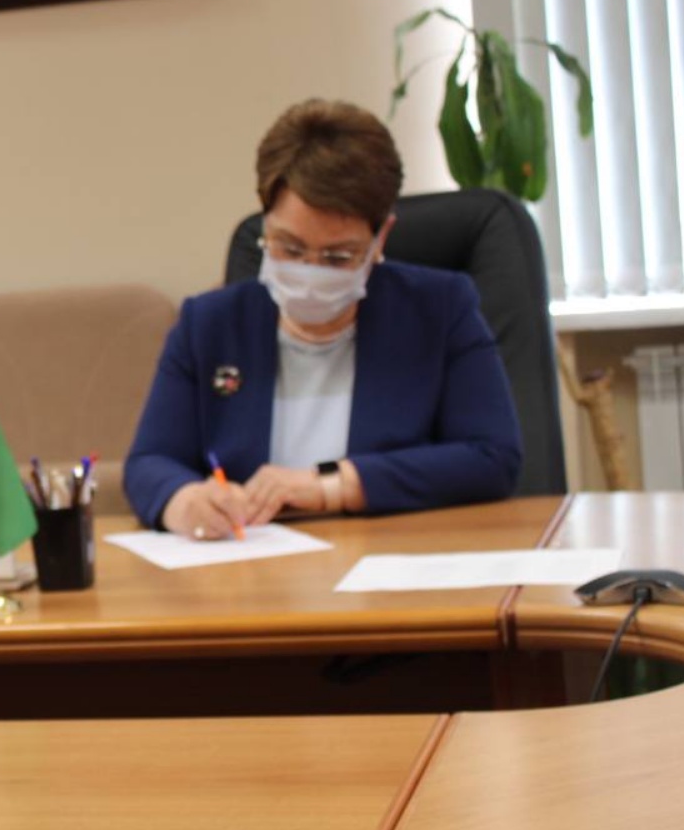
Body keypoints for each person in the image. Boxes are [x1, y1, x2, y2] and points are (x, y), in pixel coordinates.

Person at [124, 99, 522, 540]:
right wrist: (184, 502)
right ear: (265, 221)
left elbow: (492, 458)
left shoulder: (440, 310)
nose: (310, 272)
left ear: (380, 239)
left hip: (388, 559)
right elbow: (149, 463)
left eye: (338, 256)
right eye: (289, 248)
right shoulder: (209, 324)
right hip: (248, 568)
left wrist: (330, 486)